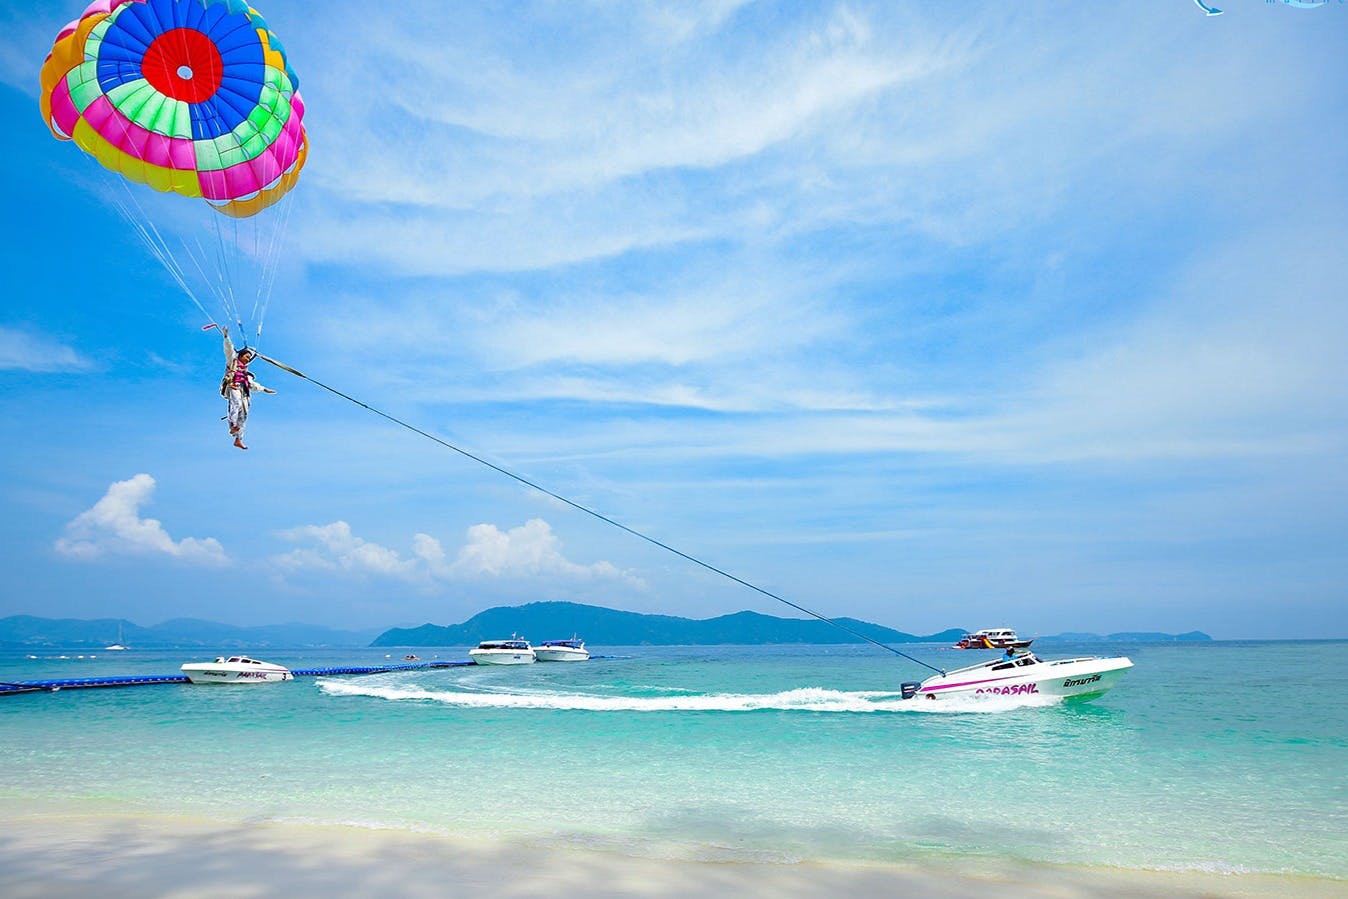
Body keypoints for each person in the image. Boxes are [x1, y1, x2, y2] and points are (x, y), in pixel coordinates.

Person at [220, 327, 276, 450]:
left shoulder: (246, 374)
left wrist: (265, 390)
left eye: (249, 357)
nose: (248, 359)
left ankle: (238, 439)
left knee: (244, 414)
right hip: (233, 386)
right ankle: (233, 426)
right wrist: (226, 337)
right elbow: (229, 350)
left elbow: (253, 385)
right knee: (236, 405)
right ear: (240, 355)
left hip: (244, 392)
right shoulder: (232, 362)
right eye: (246, 356)